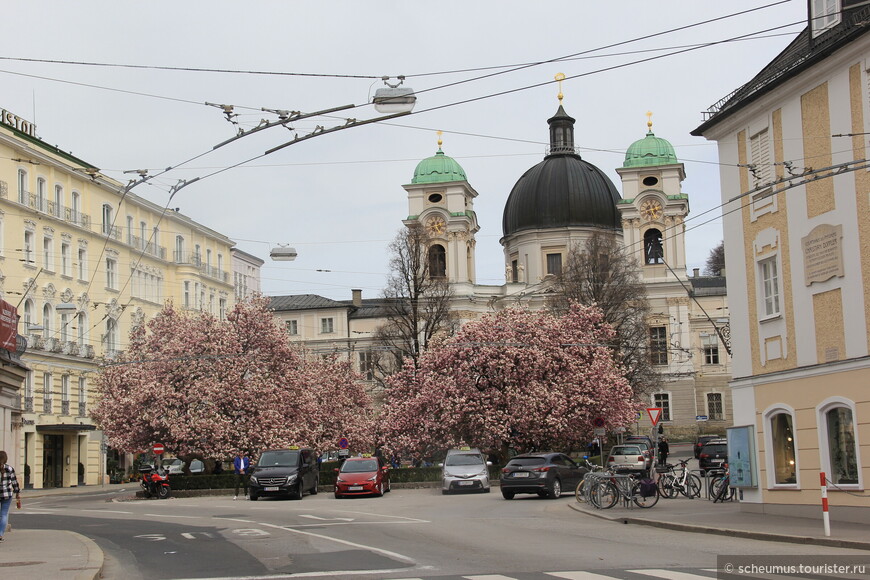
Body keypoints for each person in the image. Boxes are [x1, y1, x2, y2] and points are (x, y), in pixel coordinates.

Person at [0, 450, 21, 542]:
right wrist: (17, 493)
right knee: (3, 514)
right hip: (7, 494)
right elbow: (14, 483)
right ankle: (0, 534)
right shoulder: (10, 469)